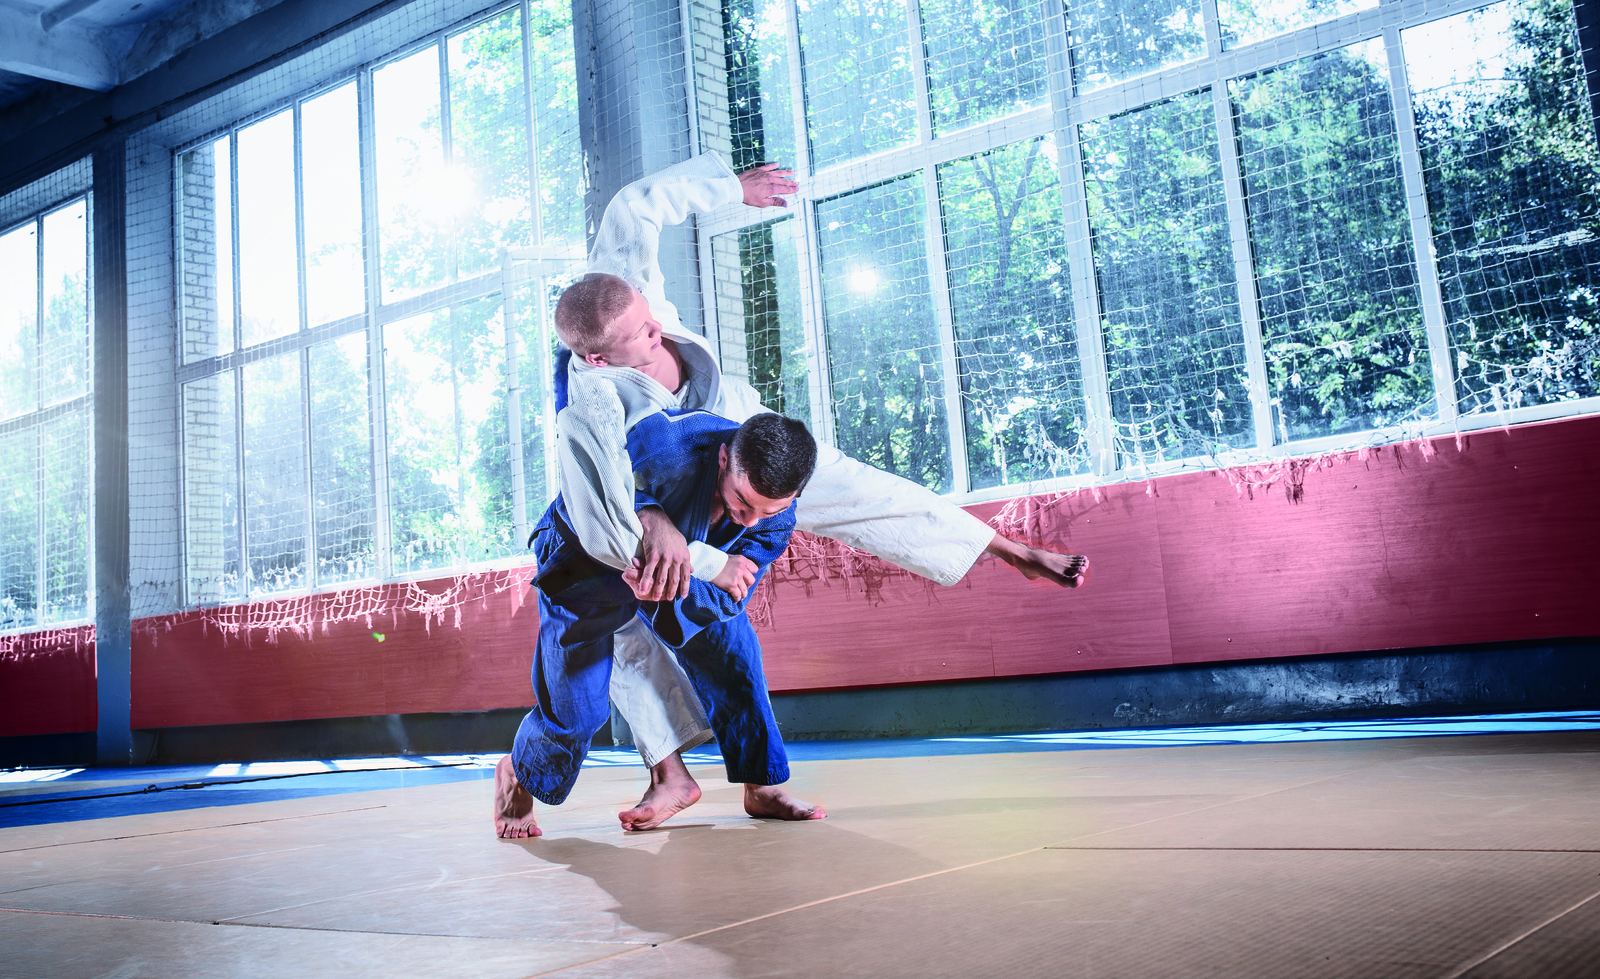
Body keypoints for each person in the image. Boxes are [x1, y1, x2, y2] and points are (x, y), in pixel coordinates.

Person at [554, 154, 1091, 832]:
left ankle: (1003, 548)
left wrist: (732, 188)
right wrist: (648, 512)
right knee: (616, 612)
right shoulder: (594, 398)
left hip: (728, 428)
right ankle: (669, 773)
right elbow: (598, 492)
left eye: (649, 319)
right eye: (641, 334)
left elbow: (633, 205)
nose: (656, 329)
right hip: (644, 487)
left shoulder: (617, 291)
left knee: (852, 485)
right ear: (597, 357)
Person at [495, 411, 824, 839]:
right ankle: (519, 772)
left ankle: (761, 785)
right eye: (742, 503)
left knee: (735, 655)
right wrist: (650, 513)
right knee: (578, 710)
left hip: (680, 582)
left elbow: (730, 594)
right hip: (586, 556)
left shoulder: (775, 519)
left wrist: (668, 583)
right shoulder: (666, 447)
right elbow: (592, 487)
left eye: (768, 511)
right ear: (723, 458)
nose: (749, 521)